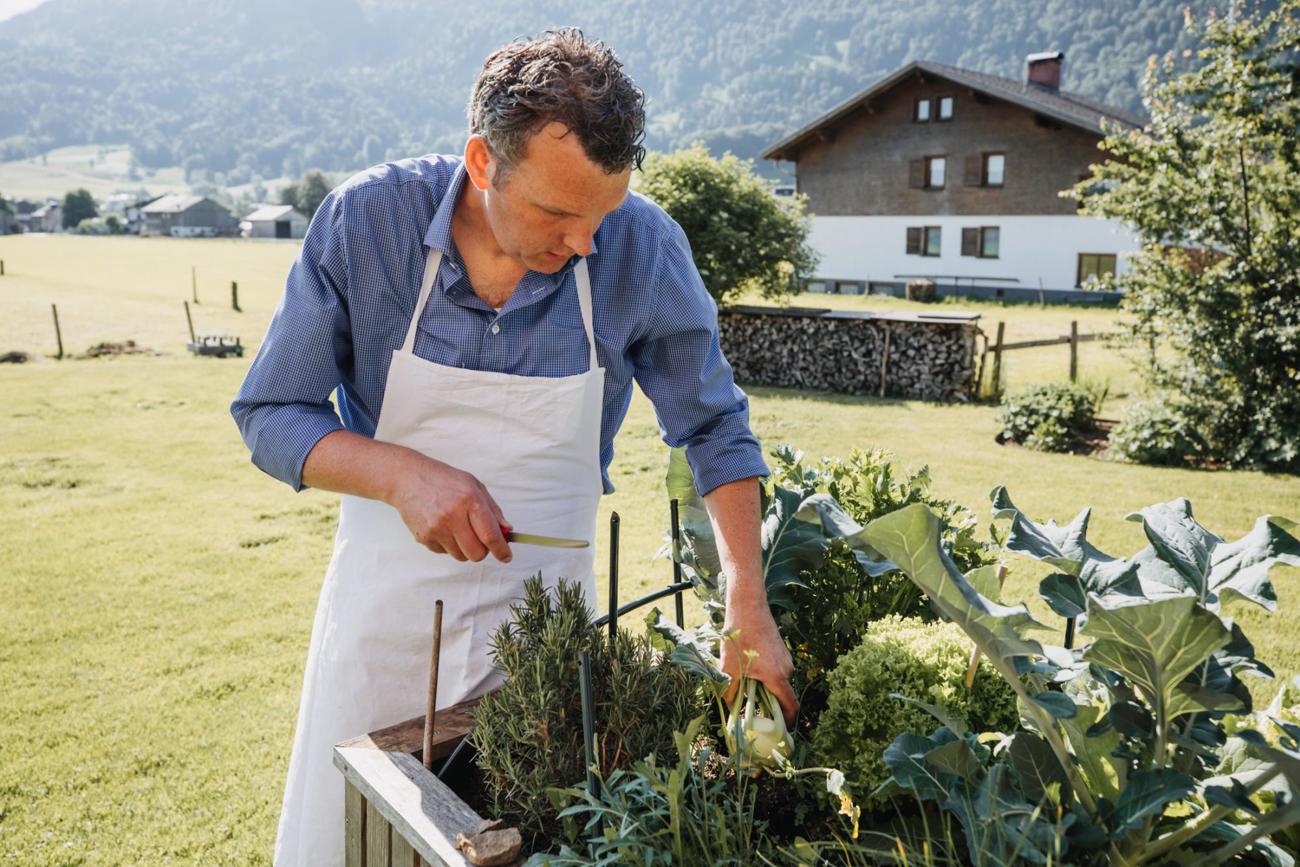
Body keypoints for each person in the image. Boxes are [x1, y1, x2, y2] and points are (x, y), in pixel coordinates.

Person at [231, 28, 795, 867]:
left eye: (603, 211)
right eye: (559, 213)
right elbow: (272, 412)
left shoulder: (643, 248)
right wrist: (401, 474)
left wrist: (746, 596)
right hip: (385, 627)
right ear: (482, 161)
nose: (586, 244)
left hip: (545, 644)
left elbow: (713, 426)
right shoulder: (367, 223)